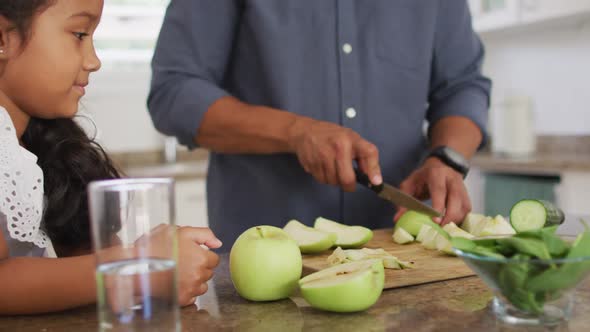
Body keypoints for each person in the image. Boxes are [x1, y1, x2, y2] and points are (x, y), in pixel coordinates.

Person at [149, 0, 491, 250]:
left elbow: (463, 86)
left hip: (405, 250)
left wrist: (446, 158)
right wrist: (295, 132)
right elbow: (174, 93)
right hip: (265, 254)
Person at [0, 0, 220, 315]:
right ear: (2, 38)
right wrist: (136, 268)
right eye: (79, 34)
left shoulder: (43, 147)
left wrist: (150, 257)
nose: (94, 61)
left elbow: (80, 266)